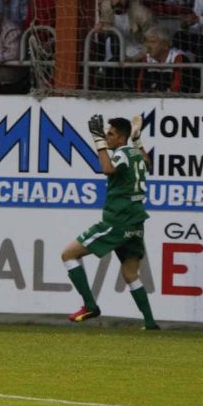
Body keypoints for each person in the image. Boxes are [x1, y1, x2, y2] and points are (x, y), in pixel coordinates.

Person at [61, 115, 159, 330]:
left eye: (110, 134)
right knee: (131, 274)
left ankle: (89, 305)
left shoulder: (122, 153)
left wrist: (98, 141)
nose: (107, 136)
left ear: (121, 139)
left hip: (118, 219)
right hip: (135, 221)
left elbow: (107, 169)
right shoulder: (135, 152)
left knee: (68, 254)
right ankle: (150, 323)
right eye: (106, 133)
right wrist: (138, 140)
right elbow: (148, 163)